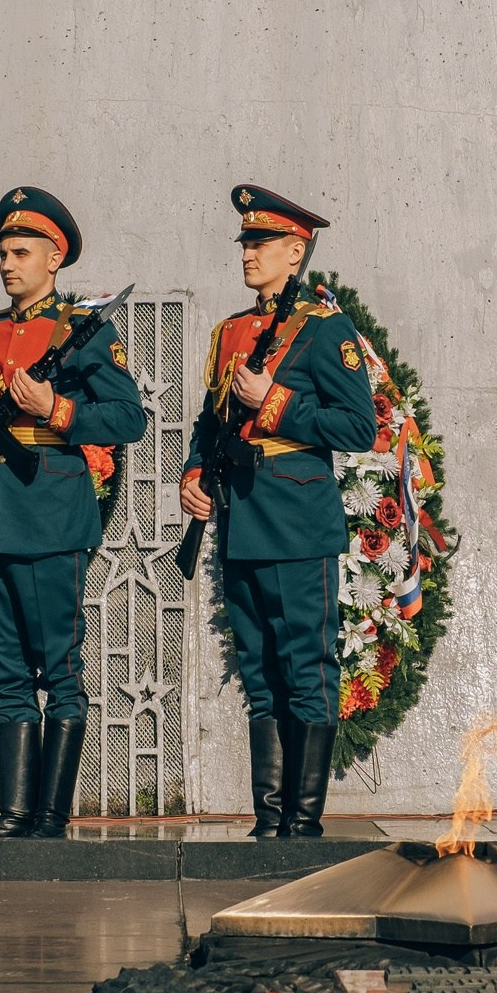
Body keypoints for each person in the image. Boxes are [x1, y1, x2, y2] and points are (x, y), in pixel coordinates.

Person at [0, 188, 145, 838]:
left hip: (50, 512)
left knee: (60, 670)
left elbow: (128, 417)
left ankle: (50, 814)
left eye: (21, 252)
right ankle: (16, 810)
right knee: (10, 671)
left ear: (54, 259)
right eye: (3, 252)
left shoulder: (82, 332)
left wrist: (57, 410)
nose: (8, 263)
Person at [179, 185, 376, 838]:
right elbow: (212, 422)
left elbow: (357, 427)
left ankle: (303, 821)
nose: (248, 254)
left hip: (296, 519)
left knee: (306, 667)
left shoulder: (325, 331)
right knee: (259, 671)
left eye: (260, 243)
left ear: (296, 251)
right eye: (245, 243)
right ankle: (268, 820)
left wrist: (277, 400)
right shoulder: (232, 331)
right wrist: (191, 474)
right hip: (240, 520)